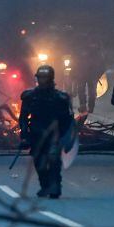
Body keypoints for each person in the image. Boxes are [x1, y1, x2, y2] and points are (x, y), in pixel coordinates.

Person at [18, 65, 75, 199]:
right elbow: (23, 117)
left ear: (50, 78)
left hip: (54, 133)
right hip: (36, 133)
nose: (42, 80)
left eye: (45, 78)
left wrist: (65, 138)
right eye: (40, 77)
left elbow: (68, 120)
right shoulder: (30, 96)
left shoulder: (61, 98)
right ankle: (45, 185)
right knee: (39, 161)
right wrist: (24, 135)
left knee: (54, 159)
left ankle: (55, 186)